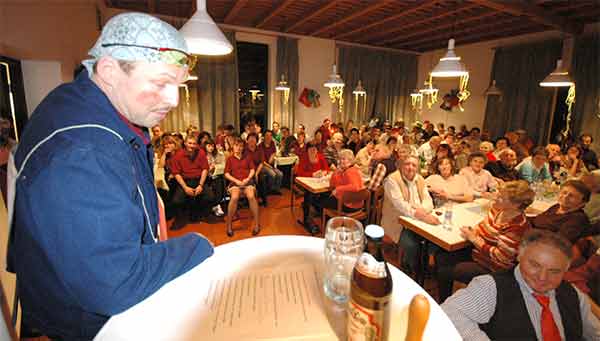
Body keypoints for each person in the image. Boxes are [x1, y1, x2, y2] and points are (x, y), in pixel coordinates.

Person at [7, 13, 214, 339]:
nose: (174, 100)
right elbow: (115, 282)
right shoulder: (82, 151)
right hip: (89, 323)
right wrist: (198, 246)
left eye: (179, 85)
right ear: (108, 70)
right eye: (160, 83)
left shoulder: (77, 101)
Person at [442, 230, 600, 340]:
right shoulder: (491, 287)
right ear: (519, 256)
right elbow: (450, 314)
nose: (542, 277)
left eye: (554, 271)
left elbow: (595, 333)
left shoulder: (572, 294)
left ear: (565, 270)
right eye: (535, 265)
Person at [435, 180, 534, 301]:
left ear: (515, 205)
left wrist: (475, 239)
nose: (497, 198)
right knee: (441, 256)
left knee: (446, 270)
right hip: (480, 253)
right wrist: (472, 231)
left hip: (494, 267)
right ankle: (450, 298)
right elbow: (482, 226)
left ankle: (449, 303)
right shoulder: (498, 210)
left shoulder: (517, 226)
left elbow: (502, 258)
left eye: (502, 198)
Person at [381, 156, 439, 270]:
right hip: (398, 222)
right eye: (407, 164)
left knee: (436, 237)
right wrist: (421, 215)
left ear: (417, 168)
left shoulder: (420, 179)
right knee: (411, 244)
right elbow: (400, 205)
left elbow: (429, 201)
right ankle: (412, 268)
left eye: (414, 165)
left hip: (419, 218)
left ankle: (425, 265)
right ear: (402, 166)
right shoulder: (392, 180)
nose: (410, 167)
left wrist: (421, 210)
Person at [170, 135, 218, 228]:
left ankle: (204, 214)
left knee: (211, 197)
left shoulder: (201, 153)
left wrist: (200, 185)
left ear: (197, 145)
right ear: (185, 143)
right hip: (185, 181)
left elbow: (205, 169)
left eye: (194, 144)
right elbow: (176, 173)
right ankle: (181, 218)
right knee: (176, 201)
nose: (191, 146)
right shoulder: (178, 155)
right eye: (189, 143)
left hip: (199, 179)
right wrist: (185, 188)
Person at [224, 138, 260, 237]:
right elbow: (226, 174)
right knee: (235, 197)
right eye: (236, 145)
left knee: (251, 196)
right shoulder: (230, 159)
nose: (238, 148)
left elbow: (252, 170)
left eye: (240, 146)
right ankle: (229, 225)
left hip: (247, 181)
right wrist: (236, 181)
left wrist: (247, 179)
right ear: (233, 146)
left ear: (243, 147)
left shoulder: (247, 157)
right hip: (235, 183)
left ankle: (257, 223)